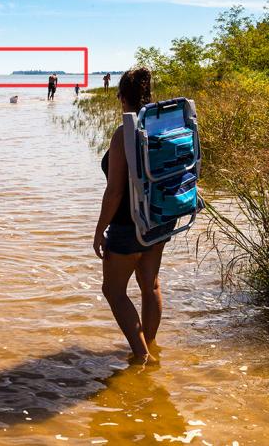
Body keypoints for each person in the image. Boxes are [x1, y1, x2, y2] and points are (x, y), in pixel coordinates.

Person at [93, 67, 171, 364]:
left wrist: (99, 230)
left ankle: (141, 357)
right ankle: (149, 345)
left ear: (122, 97)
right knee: (150, 284)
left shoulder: (124, 133)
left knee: (113, 290)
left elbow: (114, 192)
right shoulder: (161, 126)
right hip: (160, 218)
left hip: (128, 224)